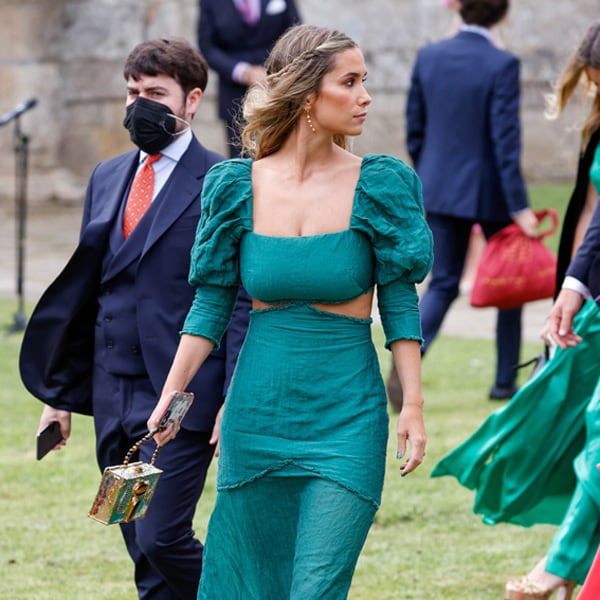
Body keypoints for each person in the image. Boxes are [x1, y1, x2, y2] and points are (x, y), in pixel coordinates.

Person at [146, 23, 433, 599]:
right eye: (349, 83)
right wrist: (171, 399)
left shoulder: (379, 184)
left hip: (347, 420)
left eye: (364, 82)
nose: (365, 97)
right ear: (307, 95)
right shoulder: (234, 187)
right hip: (257, 418)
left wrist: (414, 406)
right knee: (248, 583)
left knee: (315, 587)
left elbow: (400, 301)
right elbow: (210, 305)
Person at [19, 39, 250, 599]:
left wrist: (233, 397)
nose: (138, 104)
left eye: (155, 94)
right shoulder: (106, 175)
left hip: (182, 396)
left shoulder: (225, 180)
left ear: (192, 100)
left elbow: (241, 298)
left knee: (162, 539)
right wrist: (59, 394)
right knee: (139, 549)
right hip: (110, 392)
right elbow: (84, 291)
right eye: (132, 92)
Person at [431, 23, 600, 599]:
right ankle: (564, 563)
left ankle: (561, 566)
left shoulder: (437, 57)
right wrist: (573, 284)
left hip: (452, 193)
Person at [404, 0, 538, 401]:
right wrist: (520, 207)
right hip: (493, 193)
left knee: (442, 283)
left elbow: (415, 128)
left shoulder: (429, 56)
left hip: (441, 190)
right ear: (500, 13)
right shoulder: (502, 64)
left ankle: (409, 362)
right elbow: (505, 142)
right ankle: (503, 382)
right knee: (511, 288)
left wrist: (431, 175)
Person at [197, 0, 301, 157]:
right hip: (235, 98)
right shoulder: (210, 2)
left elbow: (296, 35)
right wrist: (243, 72)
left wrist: (273, 70)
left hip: (279, 91)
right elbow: (207, 47)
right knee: (243, 164)